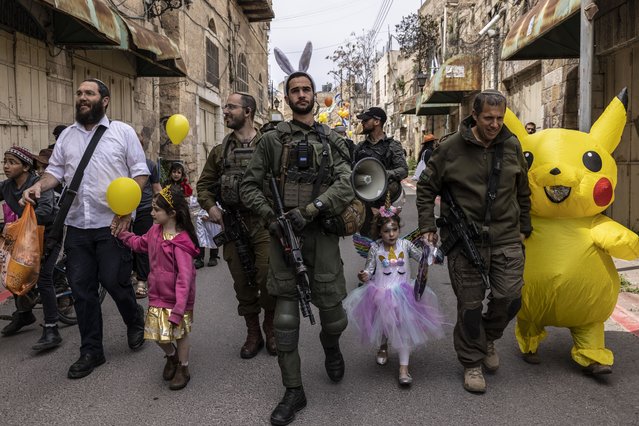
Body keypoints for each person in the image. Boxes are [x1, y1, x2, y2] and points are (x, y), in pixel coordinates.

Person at [240, 70, 354, 425]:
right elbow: (248, 187)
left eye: (307, 89)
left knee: (334, 317)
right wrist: (271, 217)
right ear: (286, 98)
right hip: (283, 239)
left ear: (315, 96)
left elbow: (348, 183)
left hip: (321, 237)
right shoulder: (271, 140)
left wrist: (311, 211)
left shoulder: (332, 140)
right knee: (286, 321)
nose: (301, 94)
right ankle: (294, 391)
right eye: (294, 90)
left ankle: (331, 346)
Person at [22, 78, 149, 379]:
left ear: (104, 100)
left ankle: (134, 320)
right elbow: (55, 172)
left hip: (112, 224)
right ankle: (91, 350)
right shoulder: (67, 135)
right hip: (77, 225)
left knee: (115, 282)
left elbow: (140, 174)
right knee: (82, 290)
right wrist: (39, 186)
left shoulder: (122, 132)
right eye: (79, 93)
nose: (81, 97)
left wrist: (127, 212)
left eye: (88, 93)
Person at [416, 89, 531, 393]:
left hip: (506, 236)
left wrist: (525, 228)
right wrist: (427, 225)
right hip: (464, 240)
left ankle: (487, 338)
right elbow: (426, 188)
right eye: (488, 118)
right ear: (475, 116)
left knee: (510, 298)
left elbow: (523, 189)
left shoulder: (511, 145)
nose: (495, 124)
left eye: (499, 118)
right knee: (469, 305)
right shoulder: (451, 147)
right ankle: (472, 362)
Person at [196, 92, 277, 359]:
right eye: (226, 107)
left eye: (231, 107)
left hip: (264, 224)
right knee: (242, 282)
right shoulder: (220, 152)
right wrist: (211, 207)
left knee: (267, 277)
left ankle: (270, 326)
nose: (226, 111)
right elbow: (204, 186)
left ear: (248, 111)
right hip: (233, 224)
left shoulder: (270, 145)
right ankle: (253, 331)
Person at [343, 206, 444, 386]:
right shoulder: (375, 248)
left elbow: (422, 257)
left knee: (404, 329)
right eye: (386, 231)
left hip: (405, 294)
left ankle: (403, 368)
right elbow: (369, 269)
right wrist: (364, 275)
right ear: (379, 232)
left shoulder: (406, 245)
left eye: (394, 230)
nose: (391, 234)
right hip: (381, 293)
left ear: (399, 229)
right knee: (384, 324)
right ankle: (383, 346)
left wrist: (432, 254)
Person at [116, 186, 199, 390]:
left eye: (156, 210)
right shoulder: (155, 232)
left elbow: (185, 279)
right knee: (155, 334)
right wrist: (123, 235)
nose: (151, 213)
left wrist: (179, 309)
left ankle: (183, 367)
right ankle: (171, 357)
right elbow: (139, 244)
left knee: (180, 335)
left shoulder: (181, 243)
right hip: (157, 296)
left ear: (171, 213)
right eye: (152, 208)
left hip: (178, 300)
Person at [1, 147, 60, 352]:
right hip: (25, 235)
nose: (6, 166)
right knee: (9, 270)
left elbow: (44, 213)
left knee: (43, 278)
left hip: (49, 232)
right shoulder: (7, 186)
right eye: (5, 161)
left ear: (26, 166)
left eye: (12, 162)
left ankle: (52, 327)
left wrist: (16, 222)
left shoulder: (38, 185)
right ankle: (25, 314)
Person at [352, 107, 408, 237]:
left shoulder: (392, 145)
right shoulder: (360, 148)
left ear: (377, 122)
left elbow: (403, 170)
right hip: (365, 204)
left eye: (366, 120)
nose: (363, 123)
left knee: (388, 240)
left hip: (386, 204)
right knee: (368, 243)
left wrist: (384, 174)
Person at [132, 134, 162, 298]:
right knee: (126, 244)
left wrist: (163, 209)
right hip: (123, 210)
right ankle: (134, 272)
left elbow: (157, 188)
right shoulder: (121, 164)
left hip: (143, 210)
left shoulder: (149, 164)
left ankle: (142, 280)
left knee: (142, 246)